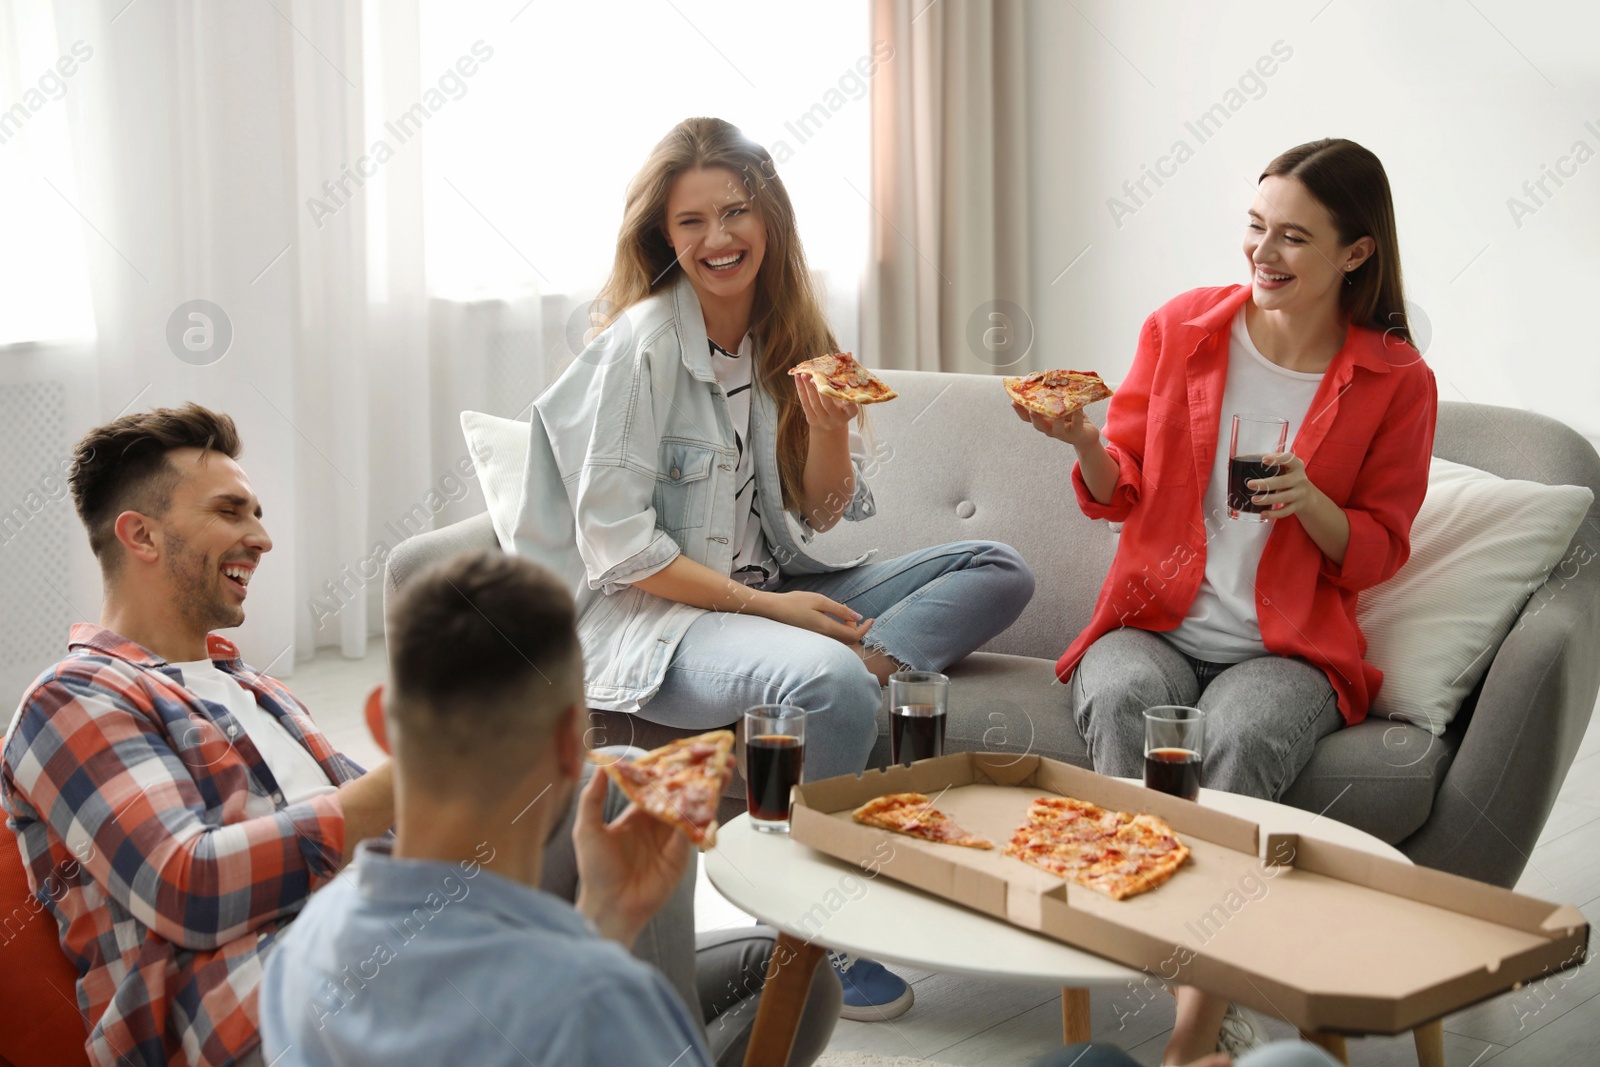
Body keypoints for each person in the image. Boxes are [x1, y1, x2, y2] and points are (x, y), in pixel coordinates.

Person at [514, 115, 1036, 1020]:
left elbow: (823, 515)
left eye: (736, 211)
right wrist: (781, 617)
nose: (719, 238)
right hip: (666, 619)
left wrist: (829, 429)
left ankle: (858, 674)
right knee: (826, 677)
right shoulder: (641, 345)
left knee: (999, 568)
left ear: (770, 220)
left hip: (772, 591)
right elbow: (620, 549)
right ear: (663, 237)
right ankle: (816, 939)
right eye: (692, 222)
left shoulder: (788, 332)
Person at [1017, 138, 1436, 1061]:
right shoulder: (1182, 330)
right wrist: (1083, 438)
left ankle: (1200, 1022)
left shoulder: (1396, 380)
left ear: (1355, 253)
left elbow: (1380, 551)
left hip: (1288, 649)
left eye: (1293, 237)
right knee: (1126, 695)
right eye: (1255, 228)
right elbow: (1118, 487)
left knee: (1240, 735)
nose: (1263, 253)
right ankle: (1146, 928)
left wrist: (1314, 504)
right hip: (1154, 622)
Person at [259, 550, 839, 1065]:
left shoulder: (300, 951)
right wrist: (604, 965)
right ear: (570, 747)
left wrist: (604, 928)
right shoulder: (601, 1007)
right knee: (796, 978)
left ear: (382, 724)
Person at [0, 405, 394, 1067]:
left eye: (258, 513)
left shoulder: (256, 689)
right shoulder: (72, 694)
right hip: (249, 1011)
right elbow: (187, 884)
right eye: (231, 511)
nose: (261, 537)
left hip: (380, 936)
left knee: (604, 784)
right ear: (144, 536)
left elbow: (391, 831)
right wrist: (411, 782)